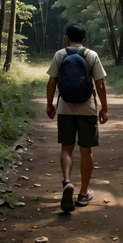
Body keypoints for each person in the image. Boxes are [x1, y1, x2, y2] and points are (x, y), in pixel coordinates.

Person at [46, 23, 109, 213]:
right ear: (84, 39)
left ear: (67, 38)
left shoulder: (60, 54)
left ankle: (67, 182)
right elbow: (100, 85)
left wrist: (50, 105)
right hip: (87, 109)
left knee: (66, 149)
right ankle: (82, 194)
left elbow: (52, 82)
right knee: (85, 151)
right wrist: (104, 109)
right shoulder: (91, 55)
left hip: (65, 109)